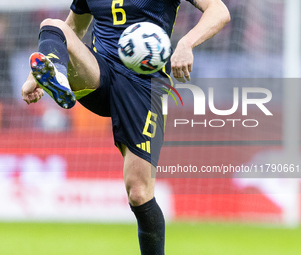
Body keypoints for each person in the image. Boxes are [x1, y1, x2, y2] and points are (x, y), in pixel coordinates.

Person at [21, 0, 230, 254]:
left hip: (144, 87)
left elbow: (219, 11)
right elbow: (73, 29)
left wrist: (186, 43)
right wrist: (36, 74)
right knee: (53, 26)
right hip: (102, 73)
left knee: (139, 192)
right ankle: (58, 76)